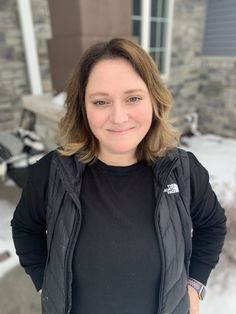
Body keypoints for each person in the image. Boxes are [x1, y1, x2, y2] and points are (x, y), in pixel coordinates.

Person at [11, 38, 226, 314]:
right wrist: (45, 284)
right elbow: (25, 228)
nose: (119, 116)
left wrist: (194, 286)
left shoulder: (182, 170)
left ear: (154, 100)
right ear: (83, 108)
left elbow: (213, 225)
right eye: (101, 102)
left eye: (133, 98)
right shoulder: (52, 172)